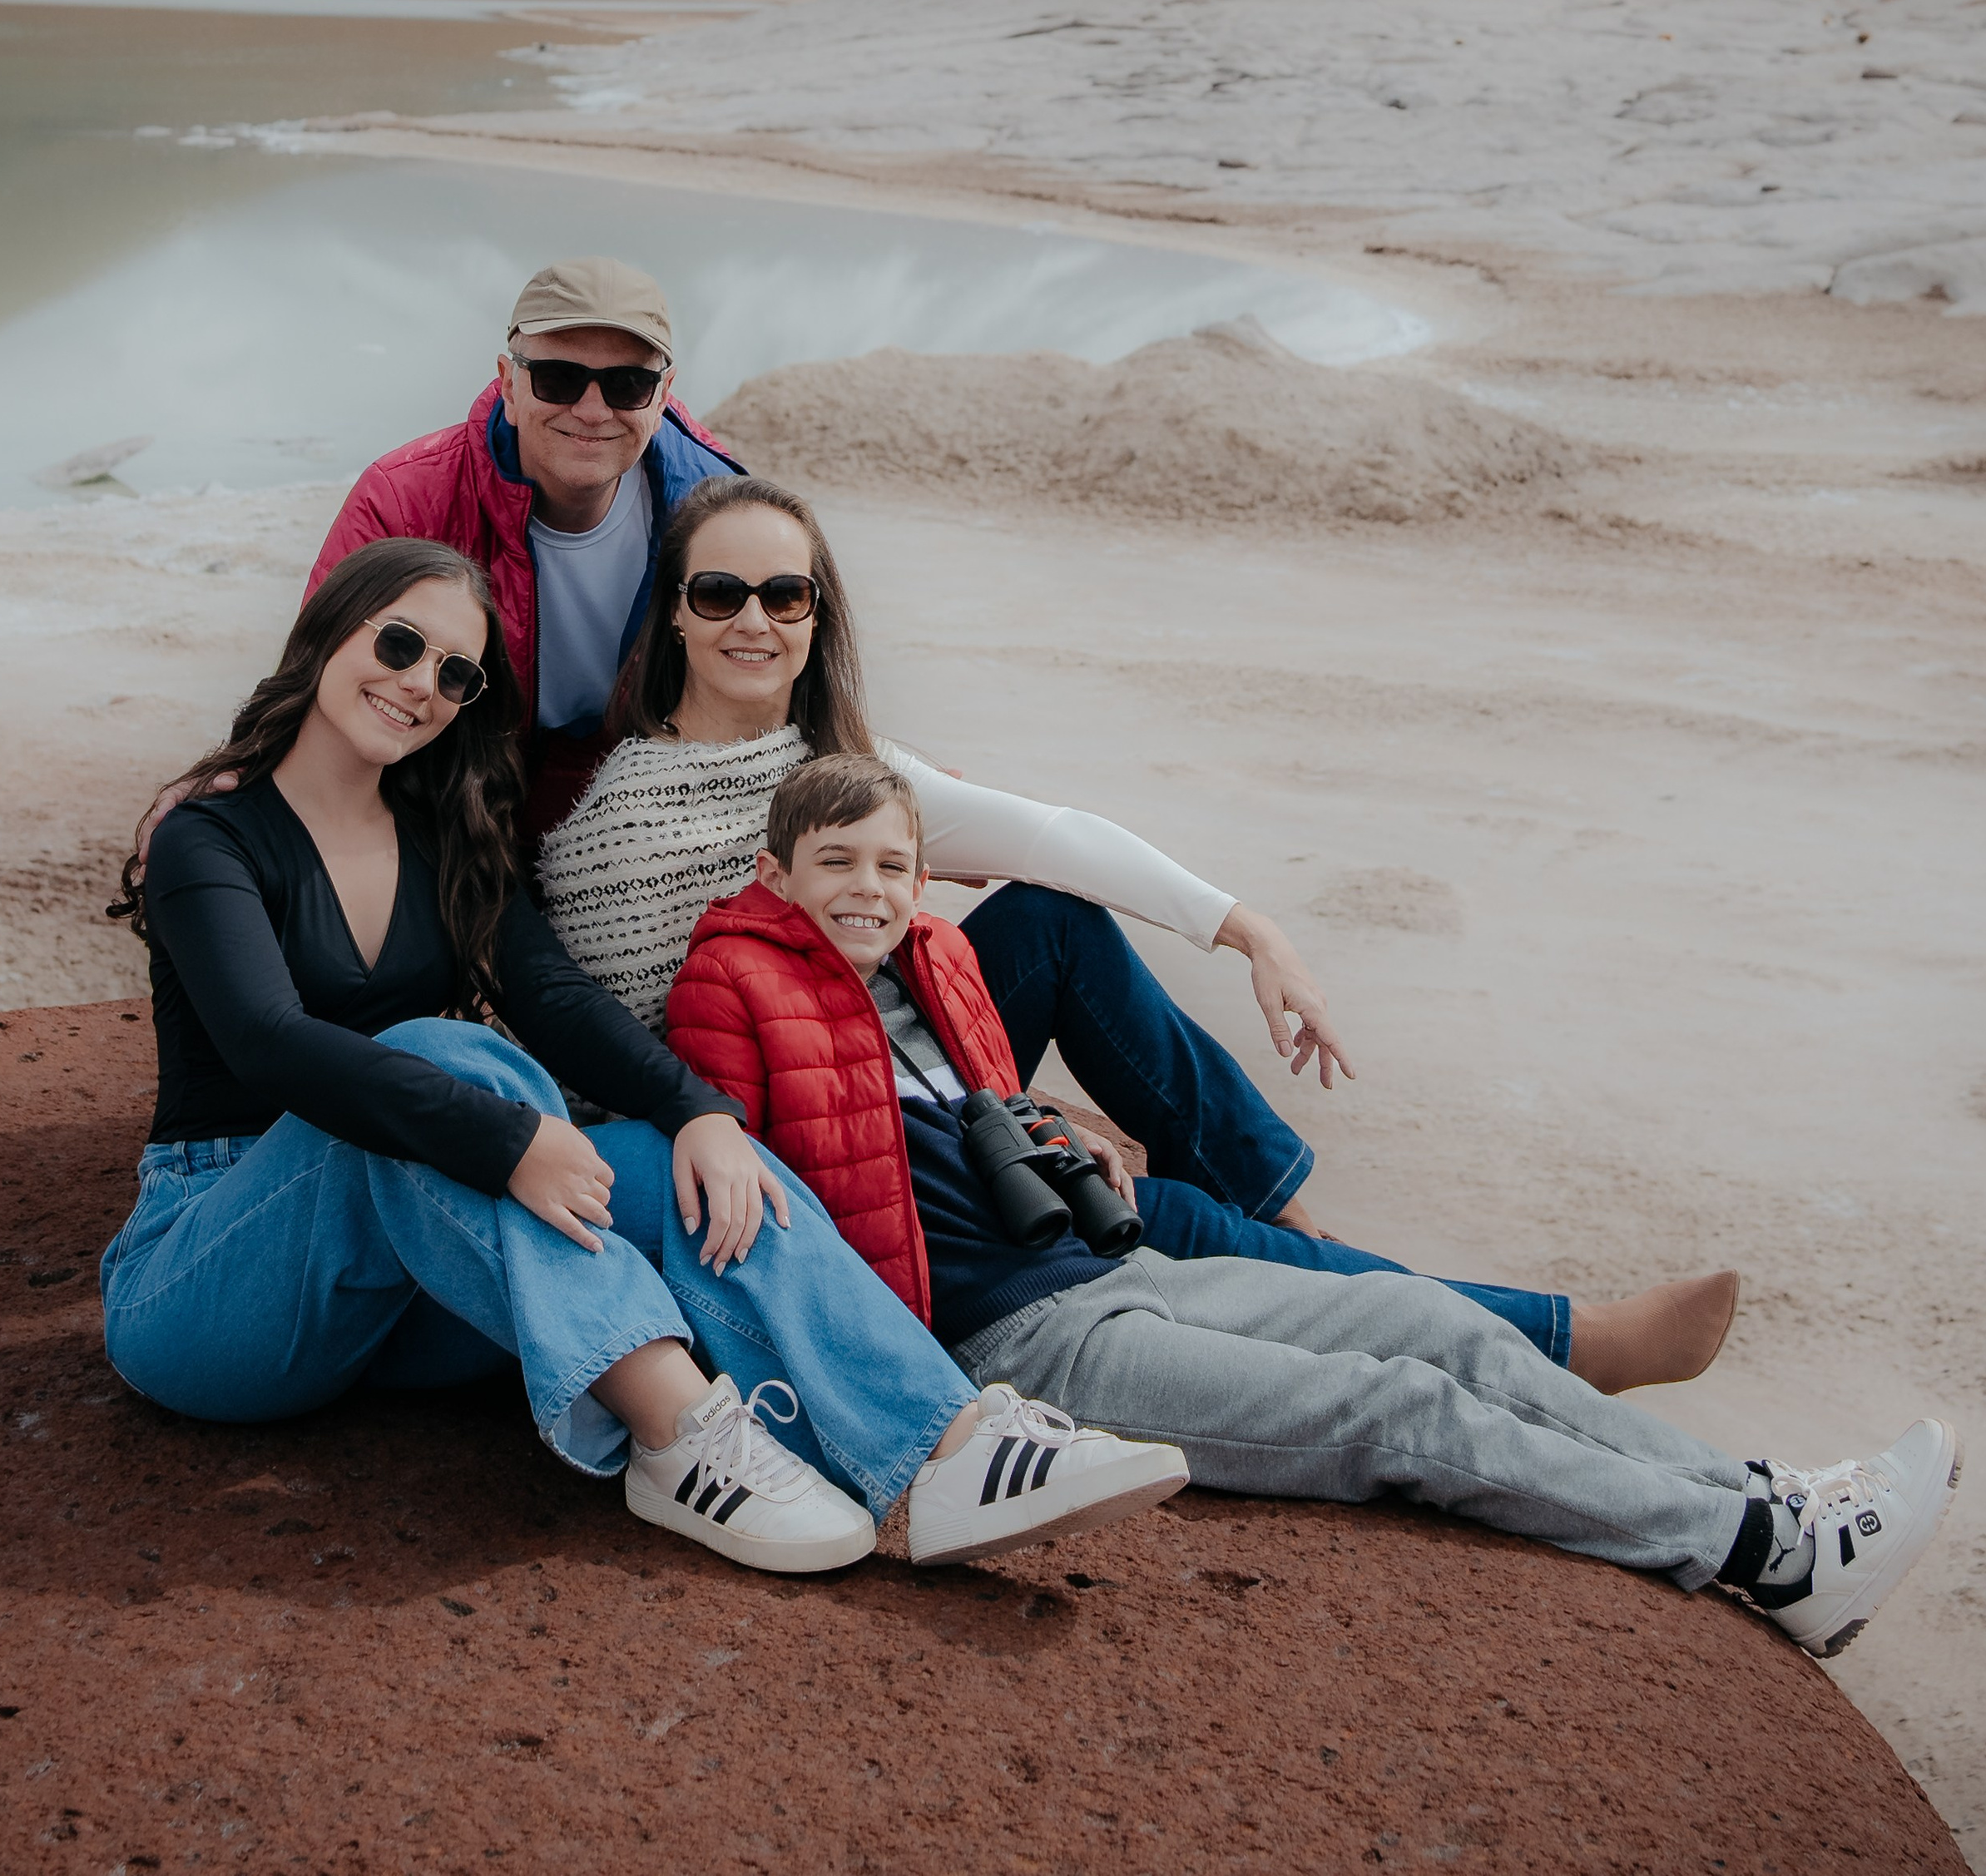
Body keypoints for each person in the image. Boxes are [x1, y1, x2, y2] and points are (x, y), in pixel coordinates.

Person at [666, 753, 1963, 1658]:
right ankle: (1757, 1550)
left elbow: (965, 1105)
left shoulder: (938, 958)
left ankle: (1776, 1499)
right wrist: (711, 1135)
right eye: (836, 863)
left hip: (1105, 1270)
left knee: (1426, 1324)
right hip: (1014, 1345)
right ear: (778, 874)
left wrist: (1052, 1127)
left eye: (895, 866)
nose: (872, 890)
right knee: (1393, 1408)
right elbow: (765, 1170)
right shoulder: (730, 982)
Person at [101, 537, 1188, 1578]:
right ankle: (683, 1434)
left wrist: (699, 1113)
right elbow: (272, 1043)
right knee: (438, 1059)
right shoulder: (212, 837)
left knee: (699, 1171)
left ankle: (951, 1452)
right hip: (214, 1285)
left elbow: (557, 999)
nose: (421, 683)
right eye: (398, 644)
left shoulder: (442, 835)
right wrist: (516, 1137)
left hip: (405, 1297)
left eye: (457, 673)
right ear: (328, 634)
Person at [540, 474, 1740, 1394]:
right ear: (679, 618)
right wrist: (974, 1110)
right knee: (1159, 1208)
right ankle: (1534, 1330)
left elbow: (1051, 838)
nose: (756, 619)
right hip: (791, 1124)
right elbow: (626, 1039)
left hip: (900, 1075)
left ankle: (1309, 1235)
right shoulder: (614, 823)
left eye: (785, 594)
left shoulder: (842, 772)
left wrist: (1246, 929)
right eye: (721, 593)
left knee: (1055, 922)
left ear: (816, 616)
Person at [305, 256, 743, 837]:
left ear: (662, 397)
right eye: (558, 379)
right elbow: (316, 680)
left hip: (646, 822)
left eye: (627, 384)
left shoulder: (727, 518)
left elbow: (788, 685)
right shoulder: (405, 499)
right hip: (443, 805)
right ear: (509, 384)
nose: (591, 411)